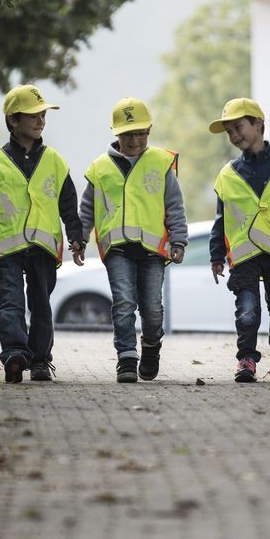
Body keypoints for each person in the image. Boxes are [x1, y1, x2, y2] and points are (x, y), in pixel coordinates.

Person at [0, 84, 86, 384]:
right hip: (8, 247)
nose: (40, 120)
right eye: (33, 115)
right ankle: (14, 354)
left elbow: (68, 203)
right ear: (13, 120)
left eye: (43, 115)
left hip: (43, 247)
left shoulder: (55, 161)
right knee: (11, 303)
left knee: (41, 306)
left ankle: (40, 360)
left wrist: (76, 236)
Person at [81, 97, 187, 383]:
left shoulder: (161, 163)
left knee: (152, 309)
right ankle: (126, 358)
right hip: (117, 249)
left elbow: (174, 206)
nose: (135, 140)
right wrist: (80, 238)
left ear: (149, 131)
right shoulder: (99, 168)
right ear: (116, 133)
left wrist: (179, 241)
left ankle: (151, 346)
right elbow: (87, 208)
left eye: (141, 133)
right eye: (128, 134)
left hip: (153, 251)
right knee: (123, 303)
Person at [208, 98, 270, 383]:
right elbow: (221, 219)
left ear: (258, 124)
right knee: (247, 311)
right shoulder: (227, 175)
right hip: (244, 255)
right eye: (229, 131)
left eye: (238, 127)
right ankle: (246, 359)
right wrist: (216, 255)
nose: (234, 135)